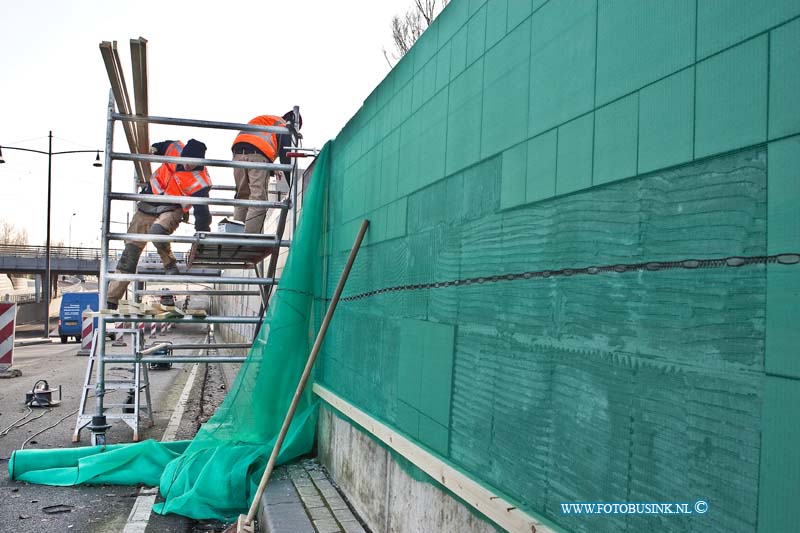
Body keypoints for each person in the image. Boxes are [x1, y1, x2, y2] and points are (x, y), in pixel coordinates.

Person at [106, 139, 209, 309]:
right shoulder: (175, 149)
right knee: (129, 255)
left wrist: (203, 236)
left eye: (191, 163)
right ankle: (111, 299)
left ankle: (169, 263)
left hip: (172, 208)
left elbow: (202, 212)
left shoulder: (201, 181)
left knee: (157, 232)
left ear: (200, 162)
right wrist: (153, 149)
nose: (186, 166)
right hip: (148, 203)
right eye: (184, 161)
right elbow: (163, 146)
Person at [230, 111, 301, 233]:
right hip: (257, 156)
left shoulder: (268, 120)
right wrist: (293, 186)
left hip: (237, 154)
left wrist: (271, 167)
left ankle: (235, 235)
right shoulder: (284, 126)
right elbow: (286, 158)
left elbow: (255, 143)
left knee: (242, 196)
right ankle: (249, 240)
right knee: (258, 199)